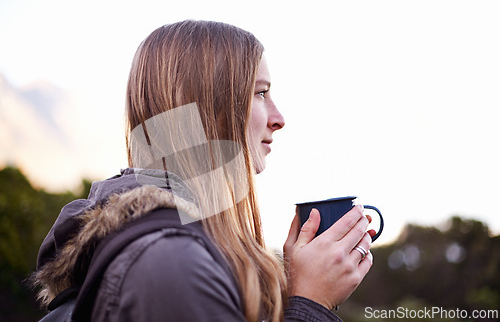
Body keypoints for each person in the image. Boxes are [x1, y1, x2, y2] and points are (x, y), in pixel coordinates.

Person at [33, 20, 374, 322]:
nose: (278, 117)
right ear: (205, 107)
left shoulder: (179, 251)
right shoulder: (171, 262)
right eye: (260, 93)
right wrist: (312, 303)